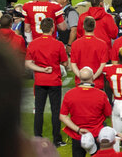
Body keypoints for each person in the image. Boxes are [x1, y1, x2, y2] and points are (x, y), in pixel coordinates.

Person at [27, 17, 71, 148]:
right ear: (52, 28)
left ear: (41, 28)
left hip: (40, 81)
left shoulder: (33, 44)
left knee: (39, 110)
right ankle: (56, 140)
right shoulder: (57, 44)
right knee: (56, 110)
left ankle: (37, 138)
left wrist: (41, 69)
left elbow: (28, 63)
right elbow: (65, 62)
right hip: (54, 81)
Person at [59, 67, 112, 157]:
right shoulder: (101, 94)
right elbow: (108, 114)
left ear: (79, 77)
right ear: (92, 77)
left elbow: (62, 116)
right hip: (97, 134)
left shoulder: (69, 94)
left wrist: (78, 129)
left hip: (77, 135)